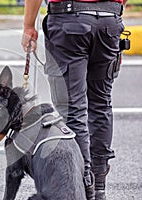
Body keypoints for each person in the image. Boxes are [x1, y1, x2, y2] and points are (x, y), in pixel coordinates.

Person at [22, 0, 126, 199]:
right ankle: (99, 186)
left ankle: (83, 183)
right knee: (101, 105)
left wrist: (28, 26)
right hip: (109, 21)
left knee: (72, 109)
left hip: (68, 21)